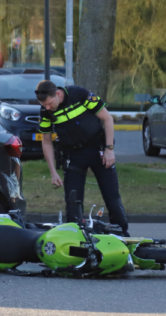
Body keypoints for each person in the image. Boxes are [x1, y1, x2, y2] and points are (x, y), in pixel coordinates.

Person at [35, 80, 129, 236]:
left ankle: (123, 236)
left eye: (50, 104)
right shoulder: (45, 111)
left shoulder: (79, 94)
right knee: (72, 202)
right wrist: (53, 172)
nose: (47, 108)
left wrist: (109, 149)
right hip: (73, 155)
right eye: (43, 105)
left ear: (58, 94)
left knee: (112, 198)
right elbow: (46, 142)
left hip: (97, 150)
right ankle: (75, 239)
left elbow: (107, 118)